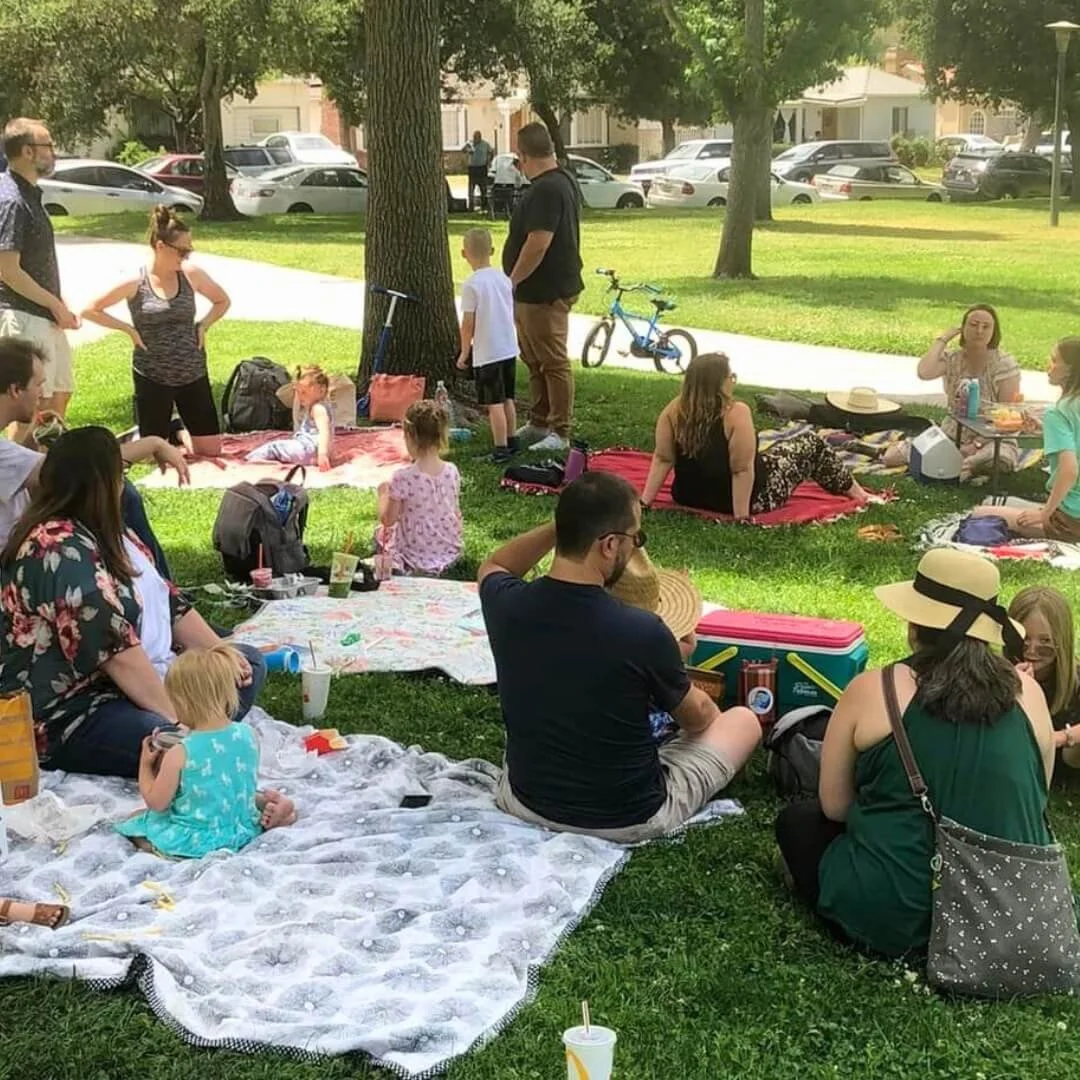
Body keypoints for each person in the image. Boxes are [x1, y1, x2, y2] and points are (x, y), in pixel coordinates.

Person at [0, 428, 292, 822]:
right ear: (101, 482)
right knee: (165, 739)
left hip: (127, 683)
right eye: (120, 473)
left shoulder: (107, 531)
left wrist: (218, 652)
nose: (125, 485)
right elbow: (118, 655)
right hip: (68, 712)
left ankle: (201, 736)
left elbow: (169, 601)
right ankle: (213, 756)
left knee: (246, 662)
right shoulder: (56, 550)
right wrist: (189, 725)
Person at [774, 548, 1054, 957]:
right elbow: (1037, 796)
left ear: (914, 624)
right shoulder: (1029, 694)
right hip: (1011, 918)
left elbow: (834, 806)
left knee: (799, 823)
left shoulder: (874, 689)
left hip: (894, 916)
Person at [478, 471, 761, 841]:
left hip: (526, 802)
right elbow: (697, 719)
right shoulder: (643, 631)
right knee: (743, 720)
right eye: (635, 538)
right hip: (627, 817)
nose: (634, 548)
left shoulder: (507, 603)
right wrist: (670, 666)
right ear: (609, 545)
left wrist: (566, 525)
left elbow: (494, 565)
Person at [0, 337, 188, 575]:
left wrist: (32, 439)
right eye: (38, 385)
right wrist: (154, 443)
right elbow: (79, 469)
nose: (43, 393)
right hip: (14, 560)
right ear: (16, 390)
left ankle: (152, 585)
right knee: (114, 488)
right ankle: (164, 592)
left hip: (23, 540)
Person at [641, 352, 871, 519]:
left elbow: (663, 458)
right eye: (731, 377)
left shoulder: (674, 410)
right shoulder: (735, 413)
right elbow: (741, 470)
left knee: (780, 450)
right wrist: (741, 516)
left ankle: (854, 491)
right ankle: (859, 494)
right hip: (750, 499)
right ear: (719, 382)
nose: (733, 381)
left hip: (688, 495)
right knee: (811, 443)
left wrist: (645, 502)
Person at [116, 645, 295, 858]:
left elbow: (157, 803)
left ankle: (161, 850)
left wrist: (145, 765)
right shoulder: (249, 735)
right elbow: (233, 785)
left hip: (198, 839)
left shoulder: (181, 751)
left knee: (137, 822)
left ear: (181, 702)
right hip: (242, 830)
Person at [80, 205, 229, 457]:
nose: (186, 257)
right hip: (152, 374)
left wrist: (203, 325)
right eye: (182, 251)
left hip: (192, 370)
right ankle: (166, 429)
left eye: (189, 251)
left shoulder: (190, 275)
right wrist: (128, 329)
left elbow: (222, 301)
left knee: (211, 452)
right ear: (161, 246)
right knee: (151, 456)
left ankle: (178, 430)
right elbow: (90, 309)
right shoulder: (135, 281)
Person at [502, 122, 583, 453]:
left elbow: (539, 242)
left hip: (545, 291)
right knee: (534, 359)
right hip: (533, 293)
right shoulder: (558, 182)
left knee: (552, 361)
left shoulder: (548, 189)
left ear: (523, 156)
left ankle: (559, 430)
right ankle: (538, 421)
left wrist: (512, 280)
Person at [878, 304, 1021, 479]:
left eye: (986, 327)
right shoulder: (953, 359)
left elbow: (1010, 415)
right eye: (973, 325)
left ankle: (964, 465)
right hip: (952, 434)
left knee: (998, 459)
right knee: (892, 457)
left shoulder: (1003, 364)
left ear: (994, 332)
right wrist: (943, 339)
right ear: (963, 328)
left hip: (991, 439)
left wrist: (977, 444)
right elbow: (924, 372)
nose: (979, 331)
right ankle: (958, 465)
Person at [0, 118, 79, 424]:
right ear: (28, 152)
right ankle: (20, 470)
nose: (54, 152)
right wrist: (54, 304)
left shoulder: (29, 194)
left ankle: (45, 466)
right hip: (23, 315)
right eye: (49, 145)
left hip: (44, 315)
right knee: (31, 405)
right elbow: (7, 269)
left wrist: (59, 304)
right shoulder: (11, 200)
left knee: (58, 395)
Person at [970, 338, 1080, 539]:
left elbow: (1069, 469)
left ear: (1070, 370)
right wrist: (1045, 431)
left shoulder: (1058, 413)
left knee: (981, 511)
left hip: (1070, 520)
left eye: (1055, 360)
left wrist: (1044, 514)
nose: (1049, 365)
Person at [607, 547, 702, 743]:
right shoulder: (660, 648)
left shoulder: (584, 639)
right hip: (654, 735)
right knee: (740, 721)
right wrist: (683, 624)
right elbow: (689, 643)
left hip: (598, 742)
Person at [376, 399, 462, 576]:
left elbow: (388, 520)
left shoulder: (403, 477)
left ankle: (402, 566)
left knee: (380, 534)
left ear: (410, 436)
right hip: (448, 548)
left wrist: (383, 493)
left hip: (414, 550)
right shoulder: (452, 471)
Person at [456, 228, 518, 463]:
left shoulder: (472, 285)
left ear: (464, 253)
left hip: (488, 351)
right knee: (508, 398)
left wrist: (465, 350)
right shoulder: (504, 279)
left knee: (494, 404)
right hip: (508, 347)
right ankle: (512, 440)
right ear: (492, 251)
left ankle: (500, 449)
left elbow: (468, 323)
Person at [1007, 586, 1080, 769]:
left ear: (1061, 641)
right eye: (1024, 639)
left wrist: (1063, 737)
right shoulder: (996, 672)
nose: (1032, 650)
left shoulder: (1075, 677)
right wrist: (1012, 689)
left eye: (1045, 642)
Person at [246, 364, 334, 470]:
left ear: (321, 390)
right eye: (298, 392)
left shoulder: (318, 409)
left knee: (273, 447)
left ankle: (252, 459)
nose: (300, 396)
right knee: (285, 447)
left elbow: (324, 432)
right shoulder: (323, 406)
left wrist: (323, 454)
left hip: (306, 450)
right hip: (311, 452)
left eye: (304, 392)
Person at [463, 130, 493, 212]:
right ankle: (471, 207)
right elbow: (463, 150)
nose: (475, 139)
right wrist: (467, 149)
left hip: (482, 168)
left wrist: (488, 160)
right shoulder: (470, 143)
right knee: (471, 189)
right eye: (474, 137)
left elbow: (491, 152)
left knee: (483, 188)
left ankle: (484, 206)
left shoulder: (485, 144)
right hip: (472, 168)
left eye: (477, 137)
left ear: (480, 137)